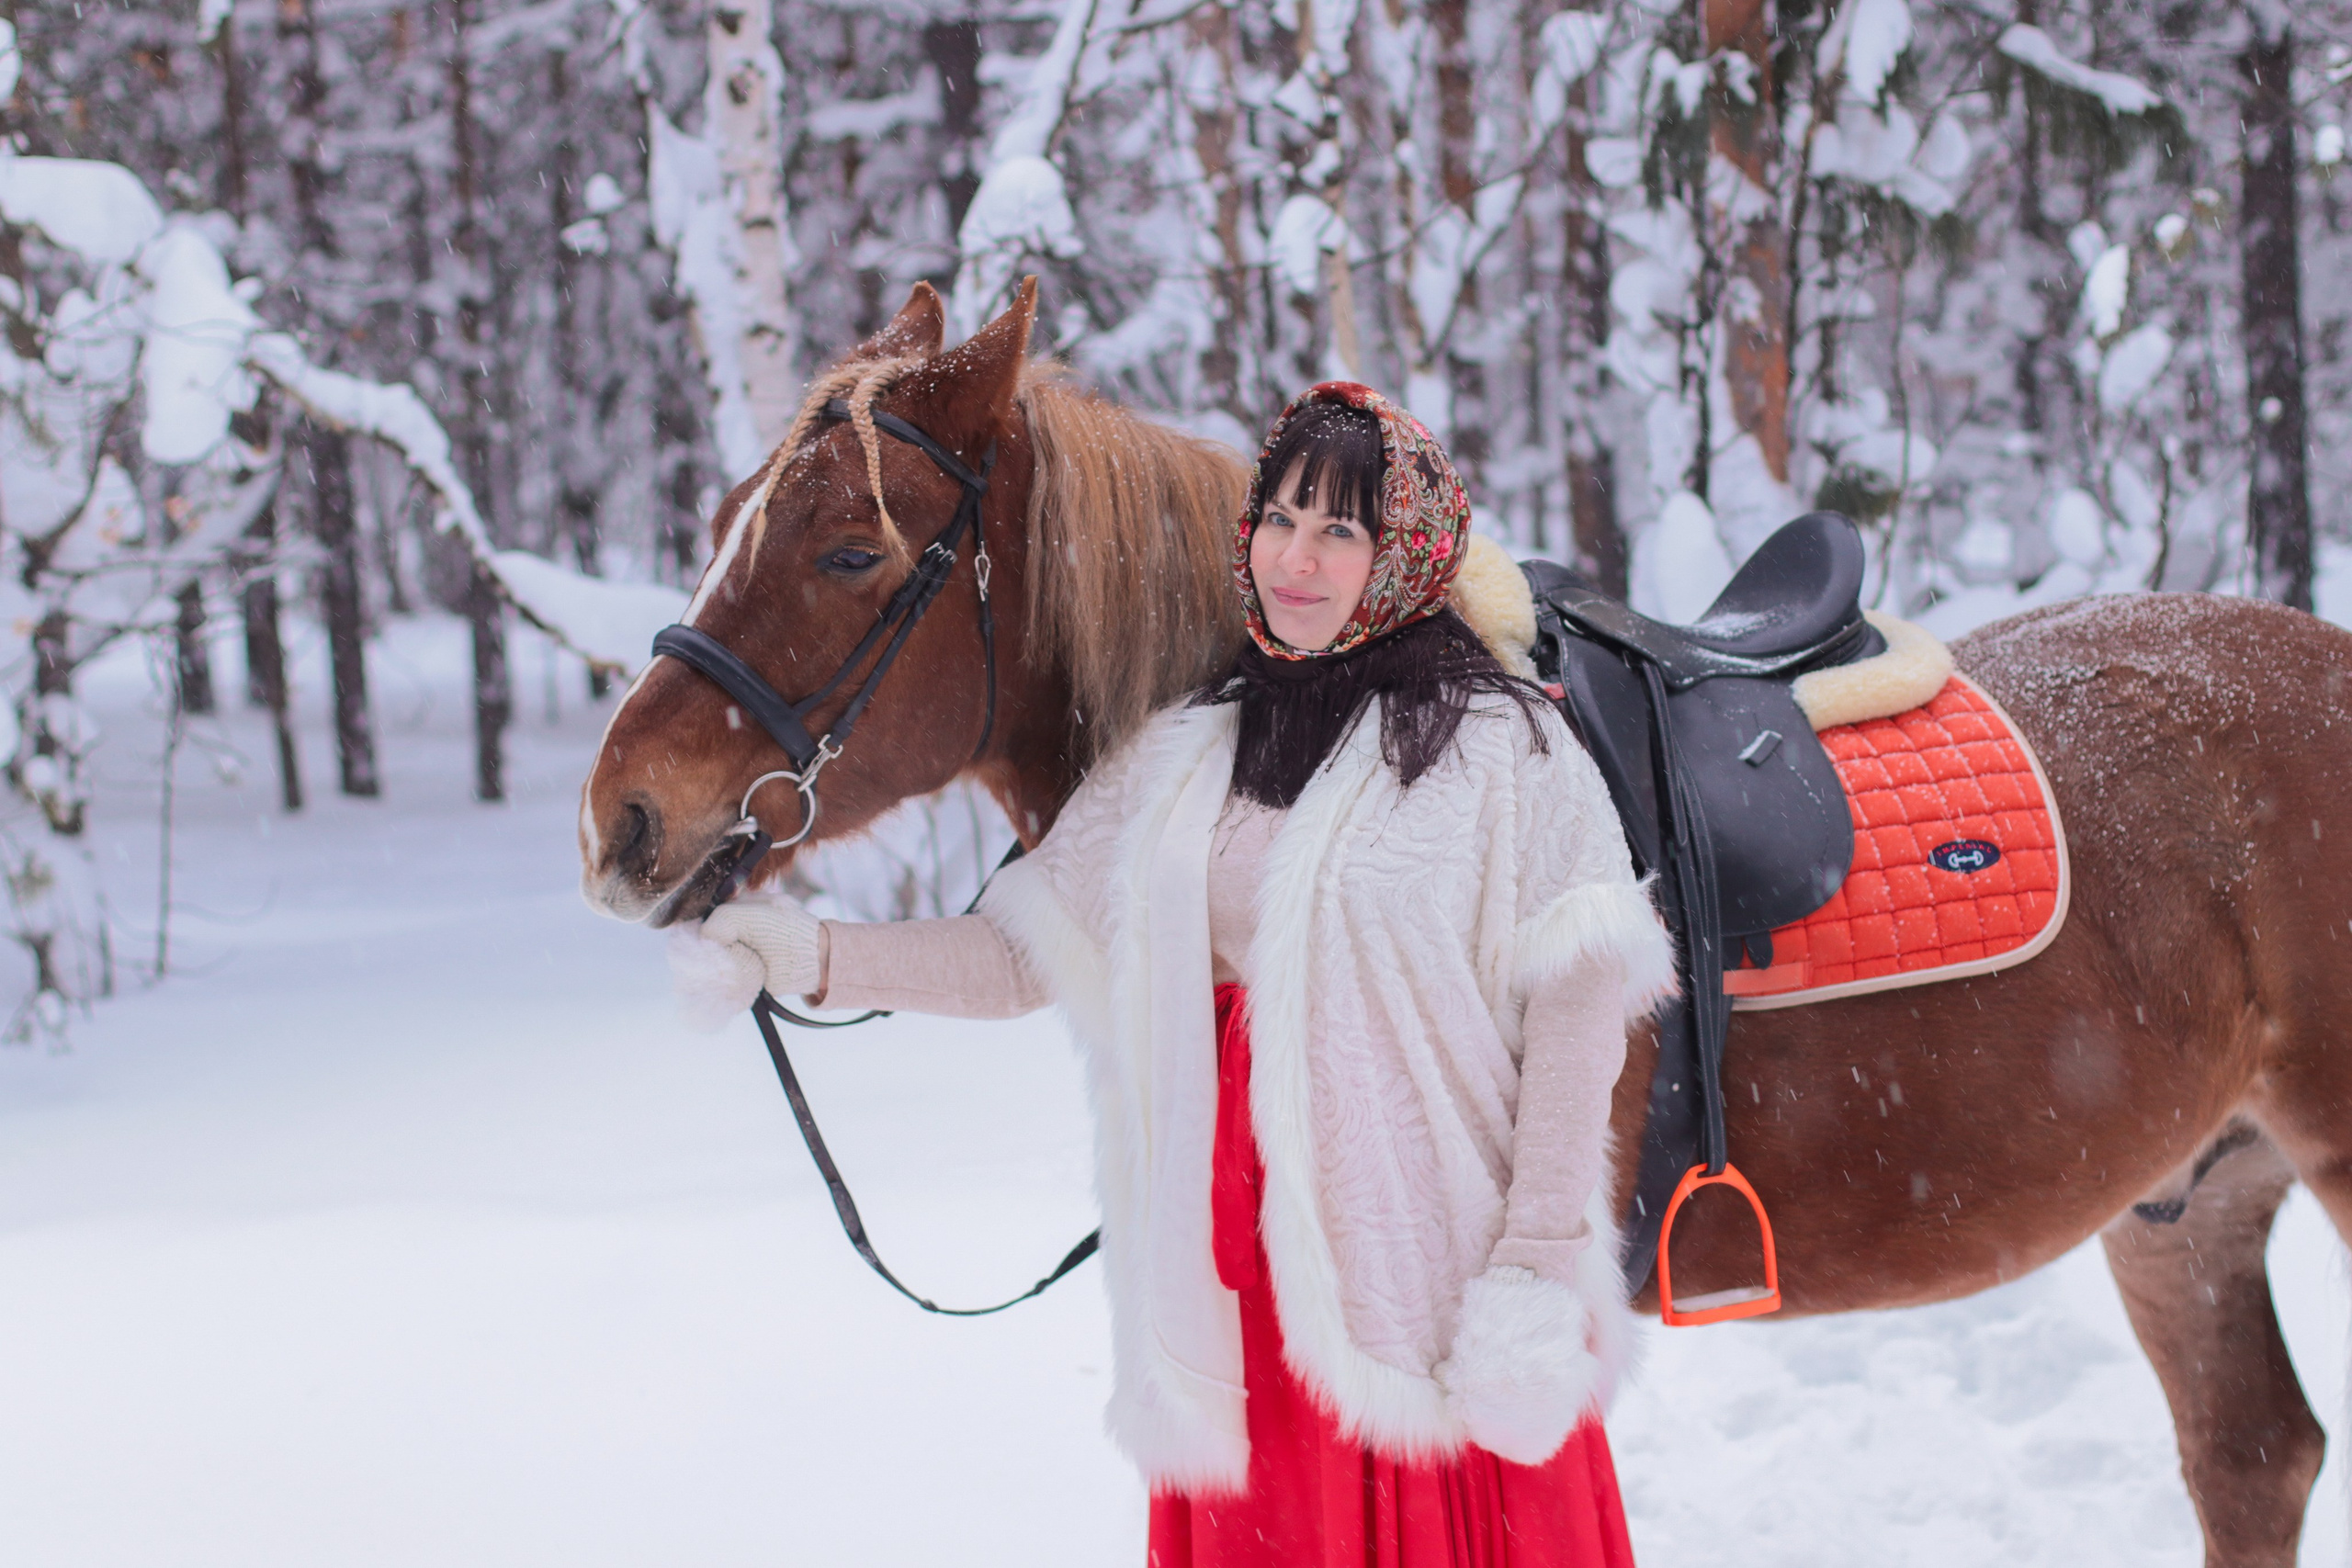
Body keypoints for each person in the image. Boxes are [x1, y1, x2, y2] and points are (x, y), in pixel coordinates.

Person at [673, 382, 1673, 1567]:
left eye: (1340, 531)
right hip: (1230, 1287)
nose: (1297, 560)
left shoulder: (1505, 744)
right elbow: (1015, 951)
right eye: (1281, 519)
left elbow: (1575, 1019)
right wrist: (817, 954)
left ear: (1402, 553)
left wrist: (1542, 1274)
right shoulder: (1192, 743)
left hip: (1426, 1290)